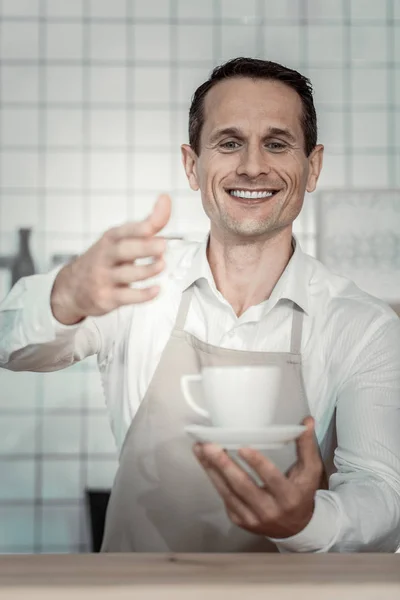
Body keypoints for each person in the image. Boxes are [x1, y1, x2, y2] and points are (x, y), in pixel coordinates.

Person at [1, 57, 400, 553]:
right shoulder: (138, 285)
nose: (253, 165)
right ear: (193, 165)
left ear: (311, 166)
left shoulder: (362, 326)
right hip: (133, 592)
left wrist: (307, 522)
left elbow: (381, 490)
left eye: (276, 143)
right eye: (230, 143)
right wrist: (65, 295)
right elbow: (12, 348)